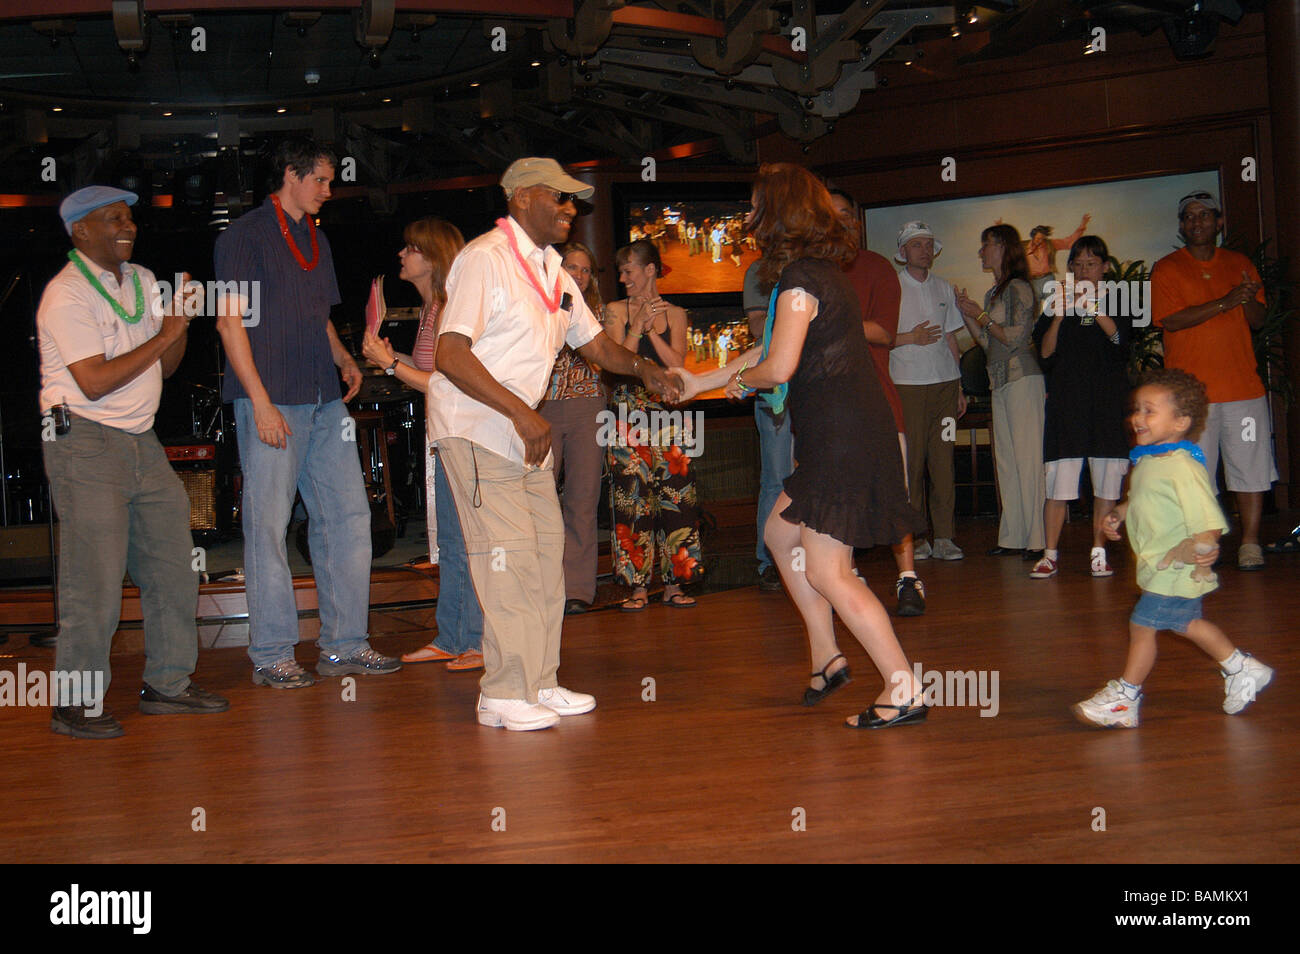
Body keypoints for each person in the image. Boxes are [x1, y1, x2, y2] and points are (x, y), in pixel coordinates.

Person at [427, 157, 683, 731]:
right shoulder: (484, 260)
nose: (571, 208)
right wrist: (524, 413)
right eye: (560, 197)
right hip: (477, 430)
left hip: (521, 433)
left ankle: (539, 682)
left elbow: (594, 345)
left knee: (546, 560)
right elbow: (450, 353)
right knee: (510, 562)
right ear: (520, 198)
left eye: (574, 200)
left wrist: (644, 369)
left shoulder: (551, 271)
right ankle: (503, 692)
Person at [677, 163, 928, 728]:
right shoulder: (814, 275)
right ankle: (826, 656)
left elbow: (776, 366)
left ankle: (903, 686)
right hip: (840, 435)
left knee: (828, 571)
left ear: (778, 212)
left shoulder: (799, 282)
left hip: (843, 439)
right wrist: (702, 381)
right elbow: (770, 350)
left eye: (754, 205)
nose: (748, 215)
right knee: (778, 533)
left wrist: (741, 382)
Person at [38, 185, 229, 738]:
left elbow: (165, 369)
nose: (129, 225)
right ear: (80, 231)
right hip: (83, 441)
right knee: (93, 578)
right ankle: (74, 703)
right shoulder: (66, 293)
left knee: (174, 565)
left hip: (141, 440)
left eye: (129, 217)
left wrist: (179, 324)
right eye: (113, 218)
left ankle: (167, 685)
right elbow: (94, 382)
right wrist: (167, 331)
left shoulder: (142, 282)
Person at [215, 137, 401, 688]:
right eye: (320, 179)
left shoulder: (315, 238)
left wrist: (344, 358)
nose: (328, 189)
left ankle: (345, 644)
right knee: (268, 528)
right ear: (290, 177)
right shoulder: (242, 237)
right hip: (271, 400)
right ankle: (272, 651)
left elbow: (318, 314)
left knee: (348, 518)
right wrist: (261, 402)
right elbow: (229, 323)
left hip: (323, 398)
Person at [1073, 368, 1274, 727]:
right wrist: (1118, 514)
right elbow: (1140, 500)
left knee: (1142, 626)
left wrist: (1207, 541)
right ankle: (1242, 667)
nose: (1138, 417)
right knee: (1188, 623)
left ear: (1181, 421)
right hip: (1158, 566)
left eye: (1150, 411)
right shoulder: (1150, 459)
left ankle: (1126, 696)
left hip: (1176, 566)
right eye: (1137, 409)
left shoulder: (1181, 465)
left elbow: (1206, 513)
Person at [360, 217, 485, 671]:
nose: (402, 255)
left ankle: (477, 640)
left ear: (431, 258)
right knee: (451, 543)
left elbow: (447, 384)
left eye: (410, 248)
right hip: (443, 436)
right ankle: (453, 636)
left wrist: (391, 366)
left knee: (468, 543)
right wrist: (394, 357)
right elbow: (432, 371)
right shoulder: (434, 308)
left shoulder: (453, 309)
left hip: (462, 435)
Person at [1150, 190, 1276, 571]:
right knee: (1194, 478)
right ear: (1181, 226)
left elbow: (1258, 320)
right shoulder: (1168, 268)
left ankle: (1250, 544)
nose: (1197, 222)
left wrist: (1246, 299)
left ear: (1219, 222)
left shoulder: (1240, 264)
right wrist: (1226, 301)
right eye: (1189, 217)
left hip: (1244, 392)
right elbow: (1169, 320)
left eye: (1204, 215)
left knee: (1250, 471)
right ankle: (1204, 546)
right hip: (1191, 399)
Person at [828, 189, 927, 617]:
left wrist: (827, 314)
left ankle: (908, 578)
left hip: (878, 401)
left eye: (848, 214)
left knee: (893, 495)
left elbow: (886, 332)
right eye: (831, 215)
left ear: (858, 222)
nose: (842, 222)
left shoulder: (877, 267)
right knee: (834, 500)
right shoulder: (807, 271)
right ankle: (843, 579)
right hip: (824, 407)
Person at [603, 239, 703, 611]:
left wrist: (652, 331)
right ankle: (638, 587)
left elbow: (677, 364)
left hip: (670, 412)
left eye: (628, 270)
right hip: (627, 416)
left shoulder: (676, 313)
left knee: (676, 499)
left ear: (649, 270)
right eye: (620, 271)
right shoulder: (614, 311)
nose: (623, 278)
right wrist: (636, 326)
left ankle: (675, 585)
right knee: (632, 500)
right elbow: (615, 361)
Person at [1031, 235, 1130, 579]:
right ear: (1070, 267)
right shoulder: (1055, 302)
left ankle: (1099, 553)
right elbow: (1044, 354)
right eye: (1078, 264)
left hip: (1106, 405)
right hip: (1067, 405)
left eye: (1092, 263)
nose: (1085, 270)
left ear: (1105, 267)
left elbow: (1121, 342)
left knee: (1106, 485)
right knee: (1058, 485)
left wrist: (1093, 307)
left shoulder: (1120, 299)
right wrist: (1060, 315)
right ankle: (1049, 555)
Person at [957, 225, 1046, 558]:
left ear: (1003, 248)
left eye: (986, 245)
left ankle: (1037, 540)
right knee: (1007, 461)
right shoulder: (993, 293)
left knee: (1027, 459)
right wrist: (967, 314)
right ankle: (1013, 538)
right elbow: (986, 342)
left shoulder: (1020, 287)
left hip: (1023, 378)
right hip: (1001, 381)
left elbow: (1016, 336)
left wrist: (977, 314)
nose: (982, 252)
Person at [889, 221, 967, 562]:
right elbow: (878, 336)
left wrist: (960, 386)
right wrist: (911, 338)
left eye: (929, 244)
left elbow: (951, 337)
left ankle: (945, 537)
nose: (925, 250)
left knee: (943, 461)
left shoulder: (944, 287)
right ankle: (917, 538)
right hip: (908, 387)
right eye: (918, 244)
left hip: (945, 389)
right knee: (913, 463)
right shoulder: (892, 288)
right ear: (903, 251)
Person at [538, 242, 608, 615]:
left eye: (584, 269)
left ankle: (578, 590)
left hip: (587, 408)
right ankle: (545, 587)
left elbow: (605, 362)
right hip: (544, 408)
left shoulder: (598, 314)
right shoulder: (537, 303)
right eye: (572, 267)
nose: (578, 274)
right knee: (541, 500)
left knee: (581, 500)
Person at [743, 259, 794, 593]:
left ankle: (804, 554)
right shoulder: (761, 271)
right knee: (776, 478)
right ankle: (770, 561)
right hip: (774, 391)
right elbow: (758, 328)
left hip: (811, 393)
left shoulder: (814, 271)